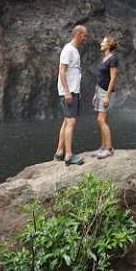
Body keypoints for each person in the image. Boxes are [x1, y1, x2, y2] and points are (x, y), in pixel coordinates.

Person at [54, 23, 88, 166]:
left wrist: (76, 91)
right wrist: (67, 92)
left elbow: (73, 73)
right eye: (85, 36)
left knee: (67, 120)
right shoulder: (68, 50)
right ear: (78, 35)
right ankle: (69, 155)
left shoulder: (75, 50)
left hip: (73, 91)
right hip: (68, 92)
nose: (86, 39)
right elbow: (62, 71)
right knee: (71, 121)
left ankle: (59, 152)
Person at [92, 33, 119, 159]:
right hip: (100, 91)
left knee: (100, 120)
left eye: (103, 42)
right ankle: (103, 147)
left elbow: (113, 78)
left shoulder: (113, 59)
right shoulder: (104, 58)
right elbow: (101, 77)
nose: (101, 43)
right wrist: (95, 93)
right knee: (104, 120)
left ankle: (108, 148)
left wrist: (107, 96)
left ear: (109, 45)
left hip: (106, 92)